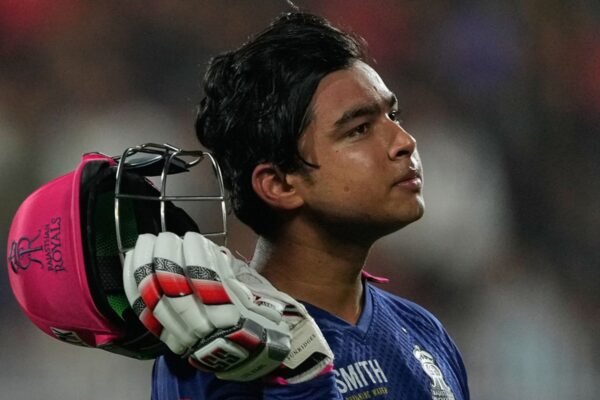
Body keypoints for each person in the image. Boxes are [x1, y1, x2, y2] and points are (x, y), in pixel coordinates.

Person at [146, 12, 469, 399]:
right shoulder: (216, 357)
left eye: (393, 115)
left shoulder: (424, 331)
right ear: (279, 184)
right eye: (359, 129)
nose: (404, 141)